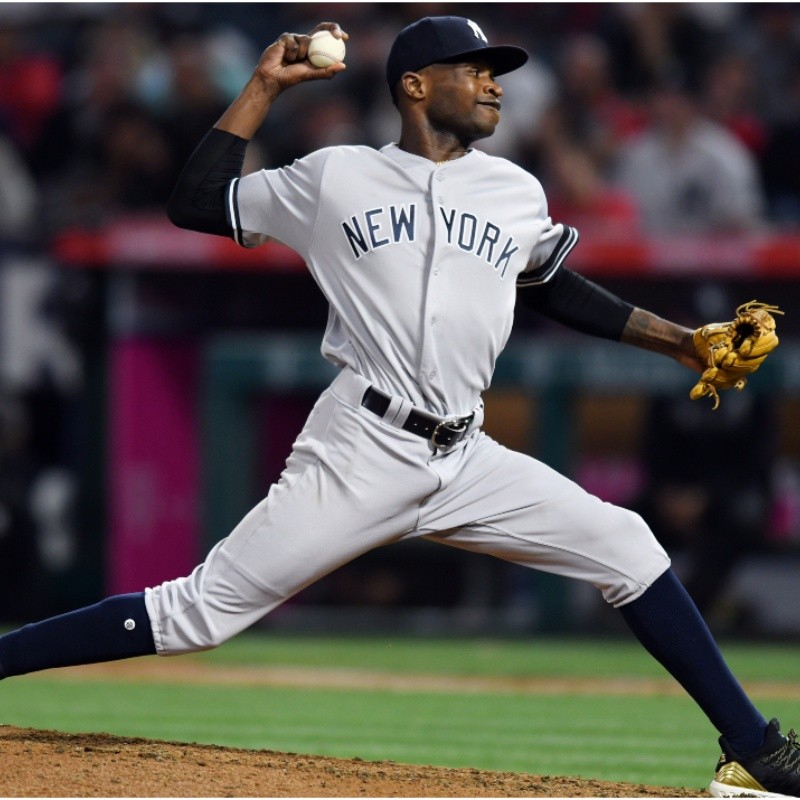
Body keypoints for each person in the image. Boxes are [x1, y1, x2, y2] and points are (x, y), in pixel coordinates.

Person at [0, 17, 797, 798]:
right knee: (198, 616)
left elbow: (554, 286)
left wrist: (683, 341)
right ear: (415, 86)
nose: (493, 85)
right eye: (475, 69)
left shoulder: (512, 187)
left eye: (498, 73)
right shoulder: (335, 176)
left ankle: (752, 749)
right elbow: (199, 201)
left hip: (467, 454)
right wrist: (262, 87)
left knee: (626, 545)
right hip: (362, 447)